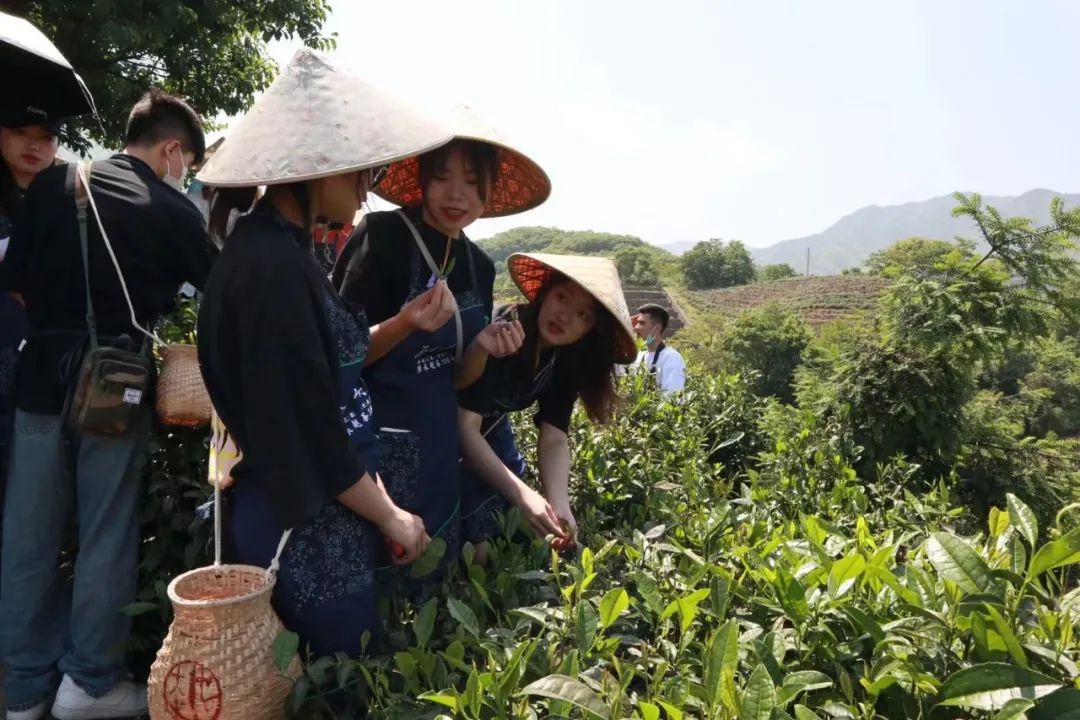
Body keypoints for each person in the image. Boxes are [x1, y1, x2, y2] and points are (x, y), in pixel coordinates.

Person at [196, 49, 450, 657]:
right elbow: (306, 427)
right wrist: (389, 515)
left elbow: (325, 370)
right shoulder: (272, 269)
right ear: (314, 169)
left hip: (324, 509)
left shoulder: (284, 252)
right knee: (330, 678)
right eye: (357, 170)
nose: (367, 187)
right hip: (300, 523)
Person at [0, 90, 211, 720]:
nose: (185, 174)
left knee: (28, 537)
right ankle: (88, 685)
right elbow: (223, 293)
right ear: (173, 150)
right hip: (115, 387)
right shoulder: (173, 210)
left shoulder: (52, 183)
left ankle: (22, 691)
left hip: (39, 377)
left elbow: (15, 288)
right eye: (188, 164)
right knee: (106, 532)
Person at [333, 107, 550, 576]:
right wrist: (404, 324)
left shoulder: (479, 265)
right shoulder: (384, 237)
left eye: (473, 183)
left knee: (434, 587)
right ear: (422, 181)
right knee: (381, 585)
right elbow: (339, 358)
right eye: (444, 178)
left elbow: (459, 381)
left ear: (489, 193)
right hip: (375, 448)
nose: (457, 195)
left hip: (439, 448)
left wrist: (482, 348)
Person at [456, 253, 637, 557]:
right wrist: (524, 495)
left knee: (517, 532)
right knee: (479, 550)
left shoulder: (564, 358)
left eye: (583, 315)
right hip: (446, 427)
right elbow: (464, 427)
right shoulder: (506, 332)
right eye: (562, 297)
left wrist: (559, 504)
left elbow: (554, 438)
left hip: (492, 431)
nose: (565, 316)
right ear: (544, 293)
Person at [0, 111, 58, 505]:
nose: (33, 145)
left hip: (39, 351)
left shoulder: (67, 199)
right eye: (21, 133)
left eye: (46, 136)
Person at [632, 303, 686, 395]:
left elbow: (671, 400)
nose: (636, 328)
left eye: (641, 323)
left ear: (656, 328)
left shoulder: (670, 358)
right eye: (637, 323)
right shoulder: (639, 357)